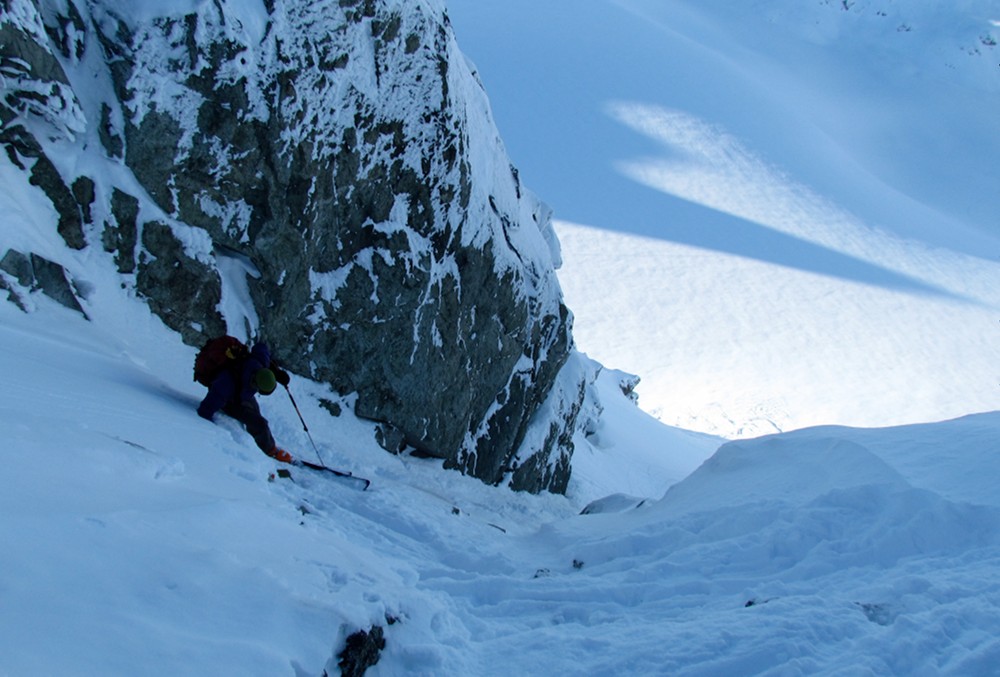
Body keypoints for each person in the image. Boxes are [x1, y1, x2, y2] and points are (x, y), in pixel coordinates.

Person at [197, 340, 294, 463]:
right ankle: (270, 450)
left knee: (255, 413)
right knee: (259, 423)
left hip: (242, 393)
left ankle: (263, 440)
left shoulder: (260, 362)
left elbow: (262, 346)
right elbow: (206, 408)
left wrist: (277, 373)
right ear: (255, 384)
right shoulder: (228, 383)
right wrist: (208, 425)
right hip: (231, 399)